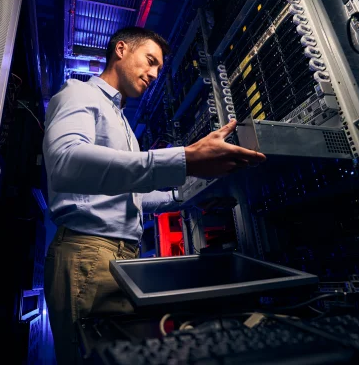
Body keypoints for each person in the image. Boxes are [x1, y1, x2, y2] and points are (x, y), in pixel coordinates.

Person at [42, 26, 266, 364]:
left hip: (117, 258)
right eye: (150, 61)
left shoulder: (122, 123)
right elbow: (65, 162)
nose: (153, 74)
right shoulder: (78, 94)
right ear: (120, 50)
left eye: (159, 69)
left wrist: (184, 192)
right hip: (88, 254)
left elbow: (127, 197)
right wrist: (184, 157)